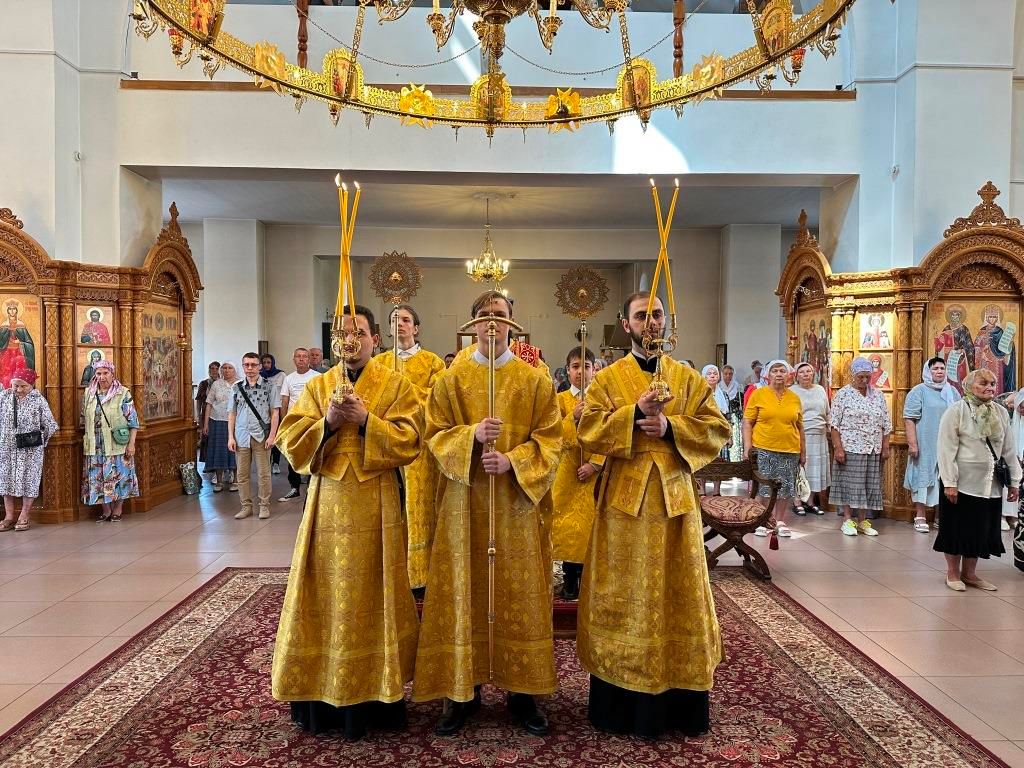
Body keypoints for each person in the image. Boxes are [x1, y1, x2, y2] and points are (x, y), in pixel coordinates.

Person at [577, 292, 729, 738]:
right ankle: (620, 700)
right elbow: (587, 429)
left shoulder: (687, 378)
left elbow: (718, 428)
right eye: (642, 315)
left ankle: (679, 701)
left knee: (677, 592)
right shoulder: (607, 378)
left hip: (675, 505)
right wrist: (633, 415)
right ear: (626, 324)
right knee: (622, 593)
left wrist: (670, 427)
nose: (652, 322)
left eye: (658, 314)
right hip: (623, 506)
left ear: (668, 320)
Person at [413, 290, 561, 737]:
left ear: (514, 323)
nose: (493, 323)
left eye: (501, 315)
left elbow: (552, 439)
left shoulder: (535, 381)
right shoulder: (450, 380)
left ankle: (523, 692)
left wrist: (513, 460)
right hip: (464, 505)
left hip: (516, 506)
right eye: (484, 315)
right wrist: (471, 437)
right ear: (472, 324)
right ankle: (462, 692)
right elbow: (433, 435)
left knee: (519, 592)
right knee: (464, 589)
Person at [272, 304, 423, 741]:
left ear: (375, 338)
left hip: (377, 505)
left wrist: (367, 422)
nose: (351, 340)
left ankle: (377, 693)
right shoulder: (319, 386)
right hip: (326, 505)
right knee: (323, 590)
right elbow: (290, 442)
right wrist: (329, 423)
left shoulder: (396, 384)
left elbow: (411, 440)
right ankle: (320, 691)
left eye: (359, 332)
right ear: (334, 341)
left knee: (375, 591)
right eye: (343, 333)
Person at [375, 304, 446, 590]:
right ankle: (390, 572)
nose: (400, 324)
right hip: (385, 443)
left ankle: (420, 575)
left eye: (406, 320)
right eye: (394, 320)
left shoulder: (432, 362)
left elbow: (437, 399)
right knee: (389, 505)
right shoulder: (379, 362)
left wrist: (401, 392)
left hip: (421, 447)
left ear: (416, 328)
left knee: (420, 507)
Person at [935, 369, 1020, 591]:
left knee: (979, 529)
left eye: (992, 384)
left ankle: (970, 574)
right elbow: (946, 448)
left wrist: (1014, 480)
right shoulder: (957, 411)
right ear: (970, 386)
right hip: (961, 483)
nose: (989, 387)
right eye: (983, 383)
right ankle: (953, 574)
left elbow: (1009, 448)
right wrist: (950, 482)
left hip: (990, 484)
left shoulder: (1000, 412)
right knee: (956, 528)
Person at [552, 346, 604, 601]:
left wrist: (595, 464)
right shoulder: (560, 400)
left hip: (594, 475)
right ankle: (570, 579)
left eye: (586, 366)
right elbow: (553, 435)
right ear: (567, 370)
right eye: (575, 367)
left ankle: (588, 580)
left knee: (590, 527)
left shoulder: (602, 400)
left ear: (594, 370)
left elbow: (609, 434)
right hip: (567, 474)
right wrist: (572, 418)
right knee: (566, 528)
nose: (580, 372)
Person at [830, 357, 892, 536]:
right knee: (850, 485)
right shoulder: (843, 394)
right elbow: (834, 424)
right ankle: (847, 520)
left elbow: (886, 424)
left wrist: (885, 447)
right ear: (853, 375)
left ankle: (863, 521)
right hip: (851, 447)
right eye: (861, 377)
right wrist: (838, 448)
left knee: (869, 485)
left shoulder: (878, 395)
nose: (864, 380)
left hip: (873, 448)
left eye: (867, 377)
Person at [743, 360, 805, 538]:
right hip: (763, 448)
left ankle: (779, 521)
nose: (778, 374)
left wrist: (803, 451)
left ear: (789, 375)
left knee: (785, 487)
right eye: (775, 371)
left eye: (782, 371)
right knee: (763, 486)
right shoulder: (758, 394)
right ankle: (760, 520)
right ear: (767, 375)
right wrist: (747, 447)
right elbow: (747, 422)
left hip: (790, 449)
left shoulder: (794, 397)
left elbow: (800, 426)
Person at [904, 358, 960, 533]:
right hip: (925, 442)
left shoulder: (952, 391)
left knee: (944, 477)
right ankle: (920, 515)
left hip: (947, 444)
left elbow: (960, 415)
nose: (939, 371)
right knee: (923, 476)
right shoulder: (918, 391)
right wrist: (913, 444)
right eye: (935, 368)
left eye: (942, 368)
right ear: (928, 371)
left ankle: (939, 515)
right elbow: (909, 418)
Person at [81, 360, 140, 522]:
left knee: (120, 477)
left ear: (112, 374)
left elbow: (133, 422)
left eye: (106, 373)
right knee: (97, 478)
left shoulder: (123, 393)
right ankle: (105, 510)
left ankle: (118, 508)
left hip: (116, 444)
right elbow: (83, 418)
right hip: (94, 445)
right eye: (98, 373)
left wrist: (131, 444)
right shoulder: (88, 394)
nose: (102, 377)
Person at [0, 369, 57, 531]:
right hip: (7, 448)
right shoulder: (4, 397)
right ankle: (8, 516)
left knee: (29, 480)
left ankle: (24, 515)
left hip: (30, 450)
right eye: (15, 385)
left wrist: (38, 440)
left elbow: (50, 424)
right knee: (6, 479)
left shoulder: (38, 400)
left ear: (31, 385)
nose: (18, 389)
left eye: (23, 386)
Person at [228, 353, 280, 520]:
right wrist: (230, 437)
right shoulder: (236, 387)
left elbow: (275, 412)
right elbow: (232, 414)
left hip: (261, 436)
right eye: (246, 365)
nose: (250, 368)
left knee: (264, 473)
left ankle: (264, 505)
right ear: (243, 366)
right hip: (241, 435)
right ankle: (246, 506)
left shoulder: (269, 386)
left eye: (253, 365)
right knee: (242, 474)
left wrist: (272, 436)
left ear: (259, 366)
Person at [277, 348, 321, 502]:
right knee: (293, 454)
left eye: (304, 356)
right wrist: (284, 423)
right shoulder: (288, 379)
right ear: (294, 359)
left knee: (312, 454)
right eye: (298, 356)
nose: (301, 359)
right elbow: (284, 402)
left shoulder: (317, 377)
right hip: (294, 422)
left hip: (312, 421)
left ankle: (312, 487)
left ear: (309, 359)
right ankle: (294, 488)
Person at [790, 361, 829, 515]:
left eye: (808, 371)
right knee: (801, 468)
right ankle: (797, 501)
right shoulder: (792, 391)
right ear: (796, 375)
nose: (806, 374)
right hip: (801, 434)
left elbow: (827, 411)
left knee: (815, 469)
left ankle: (810, 501)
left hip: (819, 434)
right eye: (802, 372)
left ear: (813, 373)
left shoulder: (820, 389)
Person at [203, 361, 238, 492]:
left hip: (236, 422)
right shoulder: (216, 384)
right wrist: (206, 424)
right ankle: (219, 481)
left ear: (235, 370)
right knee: (218, 450)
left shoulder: (240, 384)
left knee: (235, 450)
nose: (226, 370)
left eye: (230, 368)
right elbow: (209, 404)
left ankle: (236, 480)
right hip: (217, 421)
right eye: (224, 368)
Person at [701, 364, 731, 496]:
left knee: (718, 462)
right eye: (709, 373)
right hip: (703, 431)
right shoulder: (700, 392)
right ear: (704, 376)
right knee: (702, 460)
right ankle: (702, 489)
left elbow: (728, 416)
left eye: (715, 373)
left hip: (719, 431)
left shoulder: (724, 394)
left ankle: (717, 490)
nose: (712, 376)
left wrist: (729, 435)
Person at [974, 304, 1016, 396]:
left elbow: (1005, 348)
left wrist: (1010, 344)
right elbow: (976, 347)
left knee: (997, 382)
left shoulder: (1000, 332)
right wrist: (982, 351)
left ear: (997, 318)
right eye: (990, 317)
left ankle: (997, 400)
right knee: (984, 381)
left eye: (994, 317)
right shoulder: (982, 332)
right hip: (985, 363)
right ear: (986, 318)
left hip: (998, 362)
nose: (992, 319)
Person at [260, 354, 287, 474]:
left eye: (268, 362)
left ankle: (276, 462)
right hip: (263, 410)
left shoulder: (281, 375)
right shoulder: (259, 375)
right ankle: (266, 462)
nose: (266, 365)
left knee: (275, 435)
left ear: (273, 363)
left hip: (277, 409)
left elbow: (284, 393)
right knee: (264, 436)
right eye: (264, 362)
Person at [0, 300, 36, 389]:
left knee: (19, 373)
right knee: (6, 374)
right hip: (6, 354)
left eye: (14, 309)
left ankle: (20, 390)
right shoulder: (3, 325)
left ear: (17, 311)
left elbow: (29, 343)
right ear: (7, 311)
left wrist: (20, 343)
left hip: (19, 354)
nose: (12, 311)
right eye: (10, 309)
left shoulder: (21, 325)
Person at [195, 361, 220, 469]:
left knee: (217, 438)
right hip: (206, 412)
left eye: (216, 368)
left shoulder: (222, 382)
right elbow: (199, 400)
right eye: (212, 368)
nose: (214, 370)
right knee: (206, 437)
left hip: (218, 413)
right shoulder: (204, 383)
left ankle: (217, 463)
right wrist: (198, 414)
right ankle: (207, 463)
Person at [718, 364, 743, 460]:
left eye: (730, 374)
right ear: (722, 374)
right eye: (725, 374)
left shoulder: (739, 387)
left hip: (736, 420)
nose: (728, 376)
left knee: (735, 444)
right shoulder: (718, 388)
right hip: (723, 419)